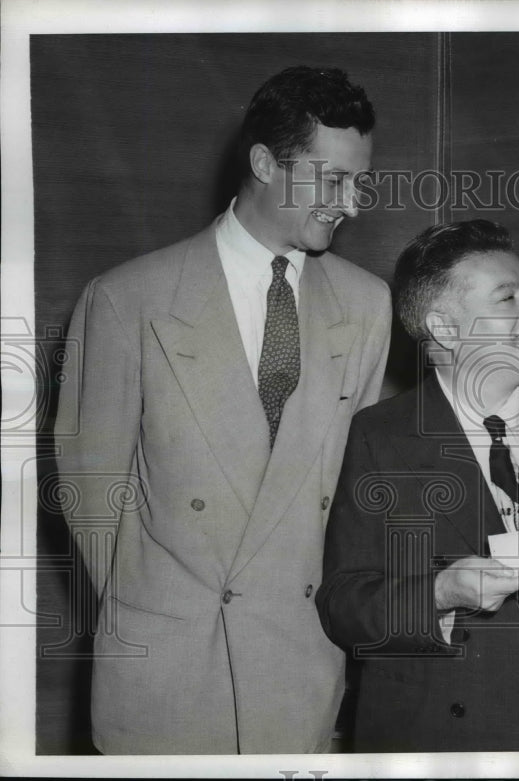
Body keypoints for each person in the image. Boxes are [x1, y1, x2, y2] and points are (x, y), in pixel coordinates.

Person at [54, 66, 391, 754]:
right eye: (331, 180)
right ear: (265, 163)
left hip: (298, 665)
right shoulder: (127, 299)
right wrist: (157, 613)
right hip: (167, 673)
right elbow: (90, 496)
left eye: (358, 182)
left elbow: (350, 497)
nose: (350, 204)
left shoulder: (367, 304)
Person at [316, 220, 519, 752]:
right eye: (508, 298)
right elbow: (344, 603)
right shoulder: (380, 435)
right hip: (442, 740)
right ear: (444, 329)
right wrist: (442, 593)